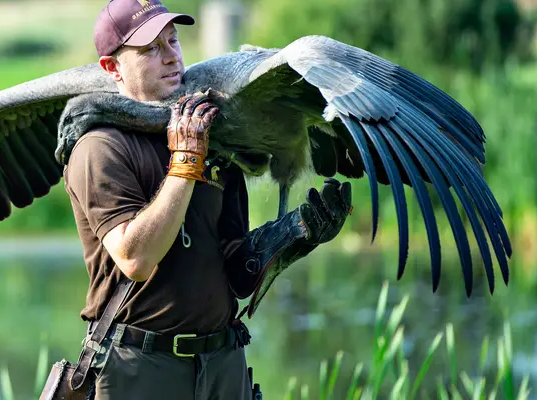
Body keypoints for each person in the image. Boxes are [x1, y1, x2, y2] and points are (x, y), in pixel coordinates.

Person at [59, 0, 352, 398]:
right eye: (150, 50)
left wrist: (295, 236)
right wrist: (184, 164)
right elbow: (135, 259)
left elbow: (235, 268)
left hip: (222, 366)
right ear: (112, 68)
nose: (171, 57)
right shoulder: (101, 148)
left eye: (173, 40)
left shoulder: (207, 131)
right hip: (142, 370)